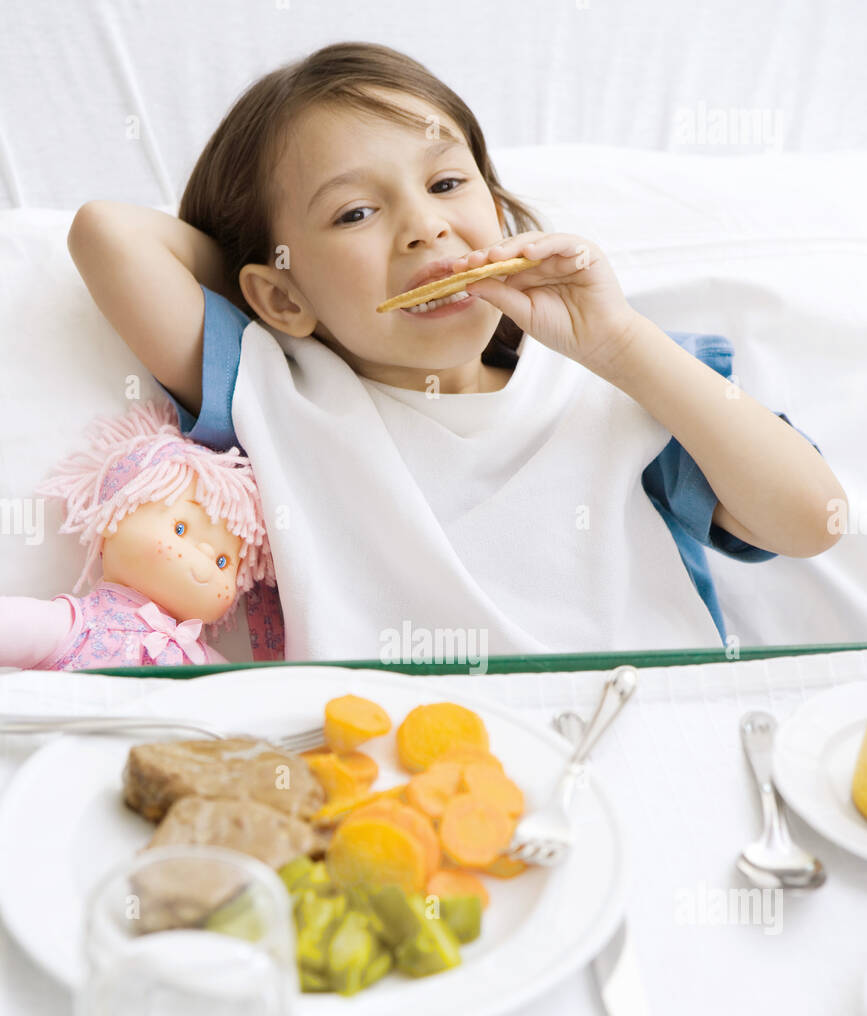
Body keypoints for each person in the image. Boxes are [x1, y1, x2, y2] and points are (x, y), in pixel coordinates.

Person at [66, 42, 845, 662]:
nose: (424, 227)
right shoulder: (277, 390)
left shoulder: (623, 383)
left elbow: (814, 520)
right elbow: (108, 234)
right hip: (393, 781)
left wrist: (620, 343)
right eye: (356, 212)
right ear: (277, 299)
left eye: (445, 184)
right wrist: (287, 290)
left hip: (648, 745)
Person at [0, 397, 275, 670]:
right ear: (114, 518)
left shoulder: (200, 661)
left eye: (222, 562)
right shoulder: (79, 627)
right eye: (180, 529)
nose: (203, 559)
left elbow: (243, 698)